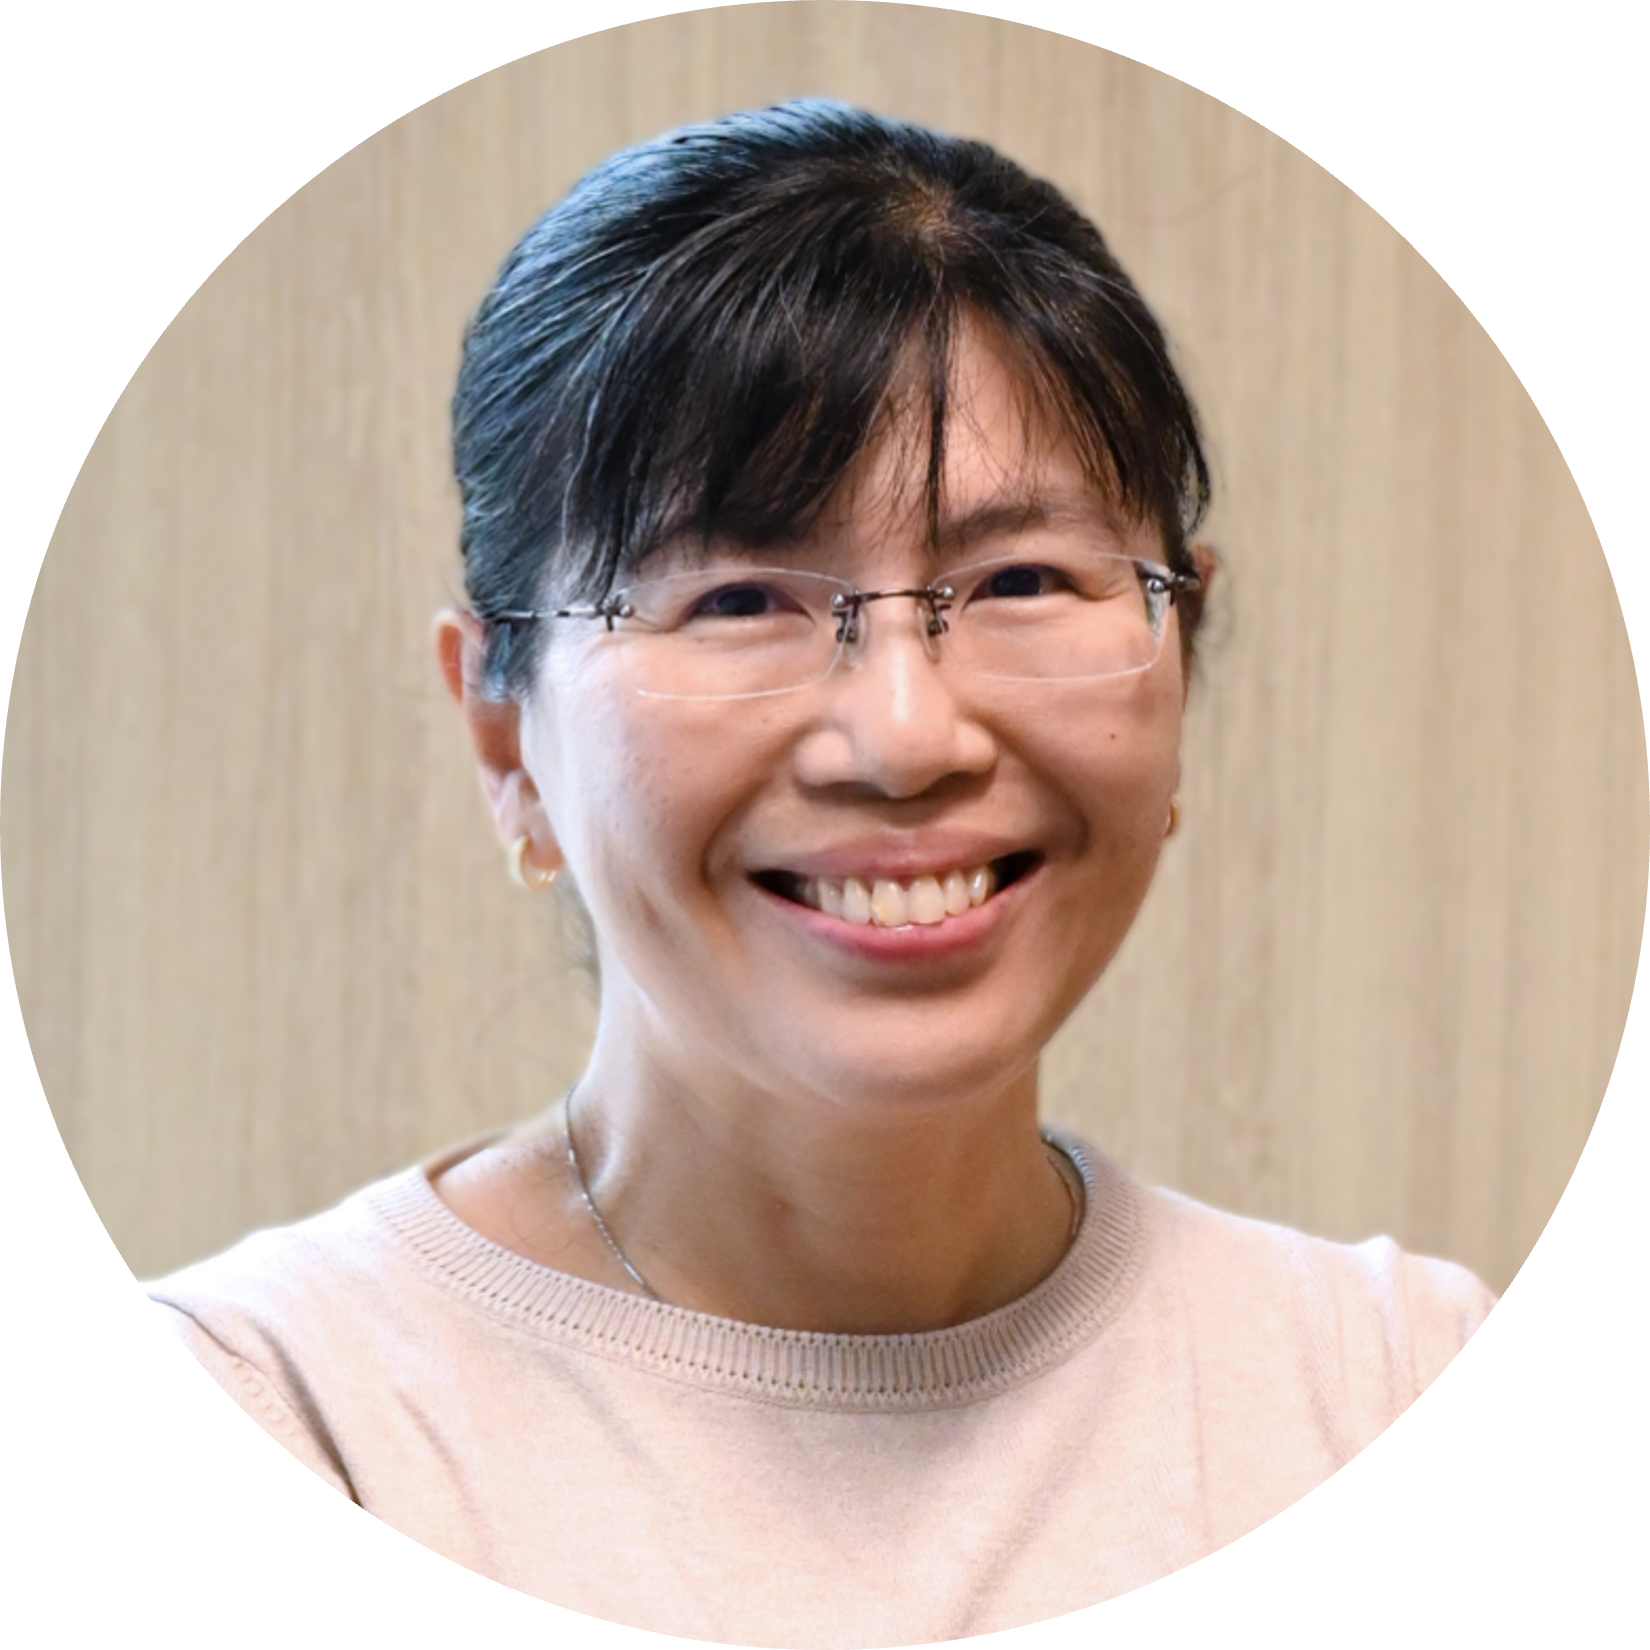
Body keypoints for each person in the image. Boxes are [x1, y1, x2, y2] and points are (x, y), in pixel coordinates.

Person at [146, 101, 1494, 1640]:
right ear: (504, 733)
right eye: (738, 599)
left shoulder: (1377, 1377)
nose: (904, 736)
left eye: (1021, 578)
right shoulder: (299, 1405)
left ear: (1175, 652)